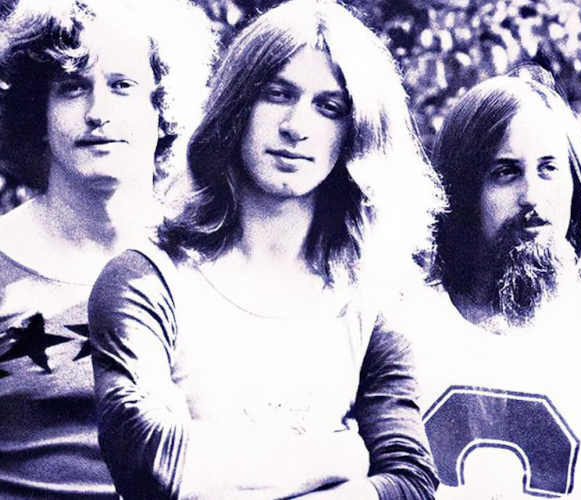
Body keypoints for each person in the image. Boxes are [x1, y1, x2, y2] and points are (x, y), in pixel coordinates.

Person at [86, 0, 443, 498]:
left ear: (356, 132)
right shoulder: (145, 279)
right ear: (236, 107)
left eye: (329, 107)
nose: (296, 125)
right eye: (278, 94)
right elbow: (152, 462)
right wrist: (338, 457)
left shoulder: (373, 300)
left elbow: (409, 481)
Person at [408, 71, 581, 499]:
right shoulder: (399, 331)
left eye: (549, 169)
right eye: (505, 172)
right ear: (461, 190)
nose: (532, 196)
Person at [0, 0, 214, 497]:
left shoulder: (216, 266)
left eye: (123, 86)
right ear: (38, 112)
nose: (98, 113)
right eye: (72, 87)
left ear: (163, 109)